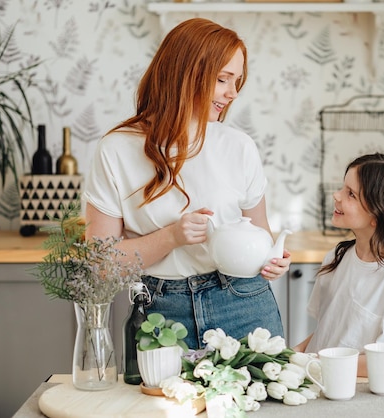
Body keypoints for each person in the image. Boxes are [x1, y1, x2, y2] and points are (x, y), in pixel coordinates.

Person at [83, 18, 290, 349]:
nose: (232, 93)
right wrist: (171, 237)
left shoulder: (239, 146)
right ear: (184, 73)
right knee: (164, 402)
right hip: (161, 314)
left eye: (237, 81)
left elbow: (262, 234)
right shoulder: (117, 149)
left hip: (245, 302)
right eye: (222, 79)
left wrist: (273, 259)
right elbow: (101, 264)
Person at [294, 153, 384, 377]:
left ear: (381, 215)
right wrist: (295, 354)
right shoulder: (336, 259)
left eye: (351, 194)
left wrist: (318, 361)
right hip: (318, 381)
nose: (336, 196)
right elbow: (329, 332)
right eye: (342, 187)